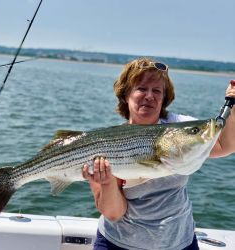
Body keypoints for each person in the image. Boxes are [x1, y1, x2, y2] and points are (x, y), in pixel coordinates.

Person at [82, 57, 235, 250]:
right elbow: (114, 213)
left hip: (181, 243)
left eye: (157, 91)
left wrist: (234, 110)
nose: (149, 96)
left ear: (164, 98)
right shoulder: (106, 144)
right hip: (118, 244)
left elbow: (224, 146)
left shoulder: (179, 126)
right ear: (126, 94)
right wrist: (106, 182)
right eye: (141, 88)